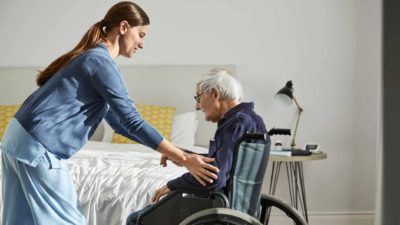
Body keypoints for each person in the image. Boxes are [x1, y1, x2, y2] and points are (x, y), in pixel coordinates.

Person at [0, 2, 219, 225]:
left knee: (20, 221)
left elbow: (120, 125)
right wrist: (183, 158)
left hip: (16, 140)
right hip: (38, 146)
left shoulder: (91, 58)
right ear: (124, 27)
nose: (142, 44)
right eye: (141, 35)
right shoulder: (99, 61)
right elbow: (131, 120)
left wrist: (174, 152)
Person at [126, 68, 269, 225]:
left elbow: (215, 178)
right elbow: (226, 165)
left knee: (137, 219)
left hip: (218, 208)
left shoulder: (236, 123)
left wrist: (173, 185)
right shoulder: (251, 120)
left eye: (198, 97)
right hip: (236, 205)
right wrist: (184, 155)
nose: (197, 106)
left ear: (215, 94)